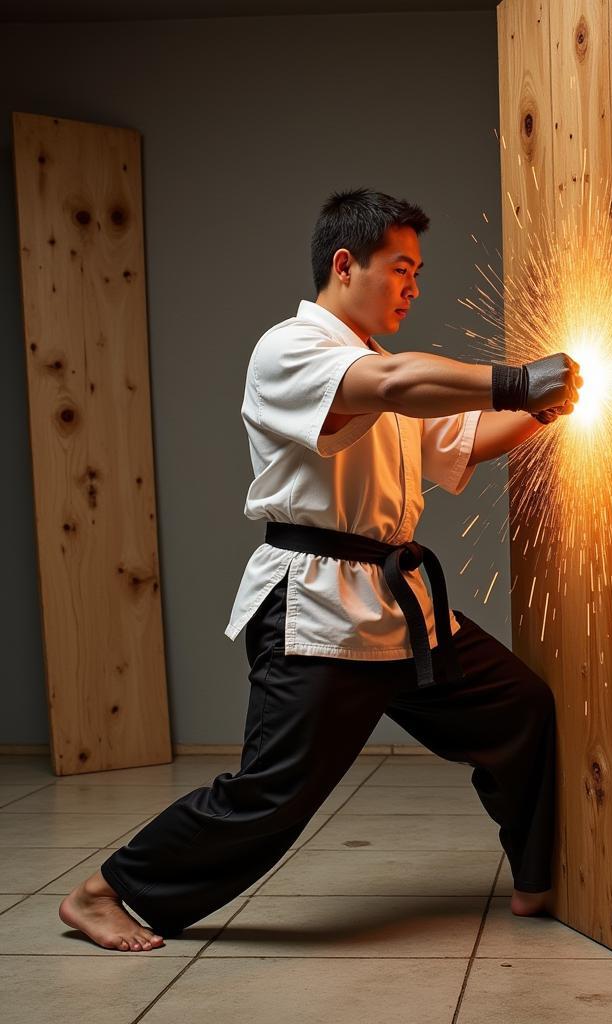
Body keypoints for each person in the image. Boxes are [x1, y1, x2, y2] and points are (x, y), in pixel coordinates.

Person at [58, 188, 582, 952]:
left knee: (519, 708)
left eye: (418, 272)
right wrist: (514, 379)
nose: (413, 285)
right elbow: (397, 386)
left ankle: (537, 882)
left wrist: (544, 409)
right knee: (271, 795)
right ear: (345, 263)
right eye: (402, 268)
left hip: (400, 607)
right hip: (317, 608)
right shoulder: (290, 350)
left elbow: (463, 441)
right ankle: (104, 891)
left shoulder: (387, 366)